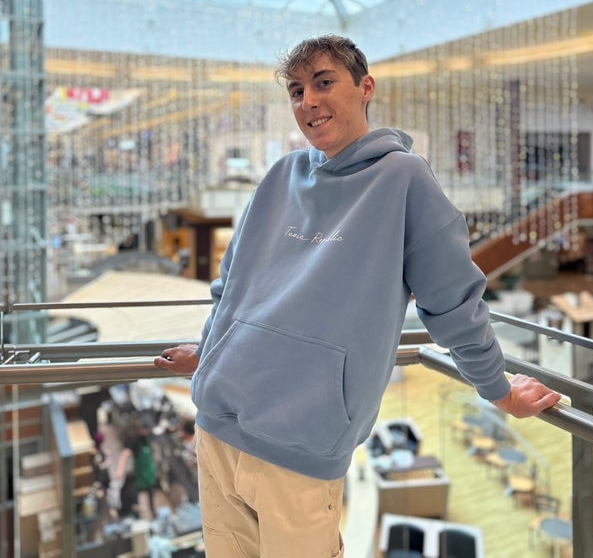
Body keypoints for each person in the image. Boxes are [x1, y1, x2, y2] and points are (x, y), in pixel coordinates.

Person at [155, 35, 561, 558]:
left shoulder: (403, 179)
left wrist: (497, 390)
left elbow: (454, 304)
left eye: (324, 83)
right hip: (216, 427)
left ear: (365, 88)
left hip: (300, 447)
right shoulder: (281, 175)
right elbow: (232, 286)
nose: (308, 101)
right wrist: (209, 352)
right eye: (296, 91)